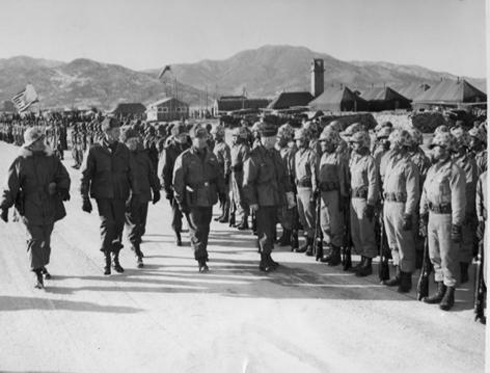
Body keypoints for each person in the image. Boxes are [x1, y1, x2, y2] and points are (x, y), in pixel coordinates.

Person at [0, 127, 70, 288]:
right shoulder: (21, 161)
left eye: (41, 140)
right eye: (37, 140)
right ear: (30, 143)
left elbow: (62, 175)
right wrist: (5, 206)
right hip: (30, 205)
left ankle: (42, 264)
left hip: (49, 203)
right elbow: (11, 185)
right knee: (35, 238)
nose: (41, 143)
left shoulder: (51, 158)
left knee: (46, 238)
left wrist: (63, 188)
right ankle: (37, 272)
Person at [80, 117, 138, 275]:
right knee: (108, 223)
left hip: (121, 193)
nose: (118, 133)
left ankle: (115, 258)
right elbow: (85, 175)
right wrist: (84, 197)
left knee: (119, 224)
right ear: (106, 132)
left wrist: (135, 192)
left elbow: (131, 172)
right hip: (103, 194)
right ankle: (106, 258)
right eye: (115, 131)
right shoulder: (94, 150)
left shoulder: (123, 150)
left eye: (119, 130)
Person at [419, 132, 466, 311]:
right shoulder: (433, 169)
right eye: (434, 147)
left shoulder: (454, 171)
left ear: (447, 149)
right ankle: (440, 289)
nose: (434, 150)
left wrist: (456, 224)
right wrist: (422, 214)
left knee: (448, 255)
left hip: (446, 217)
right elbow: (425, 192)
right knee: (434, 254)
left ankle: (449, 292)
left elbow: (458, 200)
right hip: (432, 215)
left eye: (437, 147)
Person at [172, 124, 226, 272]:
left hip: (208, 197)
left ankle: (202, 250)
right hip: (192, 198)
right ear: (192, 139)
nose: (202, 141)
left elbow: (218, 175)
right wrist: (180, 201)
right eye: (199, 138)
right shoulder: (184, 158)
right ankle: (201, 259)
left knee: (205, 228)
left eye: (205, 138)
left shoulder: (211, 156)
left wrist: (222, 193)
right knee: (196, 229)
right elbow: (178, 182)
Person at [243, 122, 294, 272]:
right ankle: (264, 260)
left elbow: (284, 176)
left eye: (273, 138)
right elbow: (248, 182)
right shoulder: (254, 156)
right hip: (262, 200)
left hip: (275, 198)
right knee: (264, 230)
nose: (272, 141)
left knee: (271, 229)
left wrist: (288, 194)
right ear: (262, 139)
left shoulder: (276, 154)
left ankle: (268, 256)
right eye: (268, 138)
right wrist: (252, 202)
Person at [381, 129, 419, 292]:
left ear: (402, 146)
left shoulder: (409, 166)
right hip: (388, 204)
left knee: (405, 243)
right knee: (393, 242)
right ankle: (398, 272)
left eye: (394, 143)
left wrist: (408, 213)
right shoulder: (391, 162)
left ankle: (406, 278)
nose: (391, 145)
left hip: (400, 206)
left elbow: (413, 193)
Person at [121, 126, 161, 268]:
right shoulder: (121, 156)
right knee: (133, 225)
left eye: (135, 140)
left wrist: (156, 189)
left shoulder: (143, 155)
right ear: (124, 142)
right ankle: (137, 251)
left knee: (141, 224)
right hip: (129, 196)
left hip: (144, 194)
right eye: (129, 141)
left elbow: (151, 173)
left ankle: (135, 241)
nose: (133, 143)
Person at [317, 127, 349, 265]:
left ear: (333, 142)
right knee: (324, 223)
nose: (323, 144)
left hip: (335, 193)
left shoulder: (339, 157)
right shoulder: (324, 156)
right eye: (322, 141)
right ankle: (330, 248)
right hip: (324, 193)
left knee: (335, 223)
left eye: (326, 141)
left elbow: (342, 179)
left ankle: (336, 252)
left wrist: (342, 197)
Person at [348, 130, 379, 276]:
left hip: (363, 199)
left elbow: (373, 183)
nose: (353, 145)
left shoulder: (370, 161)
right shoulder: (354, 159)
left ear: (364, 144)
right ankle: (361, 258)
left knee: (366, 231)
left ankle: (367, 261)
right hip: (354, 198)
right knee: (356, 231)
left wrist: (371, 203)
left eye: (356, 143)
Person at [450, 126, 478, 284]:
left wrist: (466, 212)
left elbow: (469, 188)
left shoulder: (468, 163)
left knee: (464, 240)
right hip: (452, 206)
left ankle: (463, 270)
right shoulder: (452, 160)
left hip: (464, 206)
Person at [160, 123, 190, 246]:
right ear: (175, 137)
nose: (184, 138)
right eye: (181, 135)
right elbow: (164, 171)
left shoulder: (189, 147)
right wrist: (167, 188)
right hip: (175, 186)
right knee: (176, 211)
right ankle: (177, 233)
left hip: (189, 184)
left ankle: (193, 233)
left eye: (185, 135)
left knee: (191, 210)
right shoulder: (168, 150)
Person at [293, 127, 318, 255]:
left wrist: (314, 191)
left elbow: (314, 173)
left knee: (310, 217)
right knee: (302, 217)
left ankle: (312, 244)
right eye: (297, 140)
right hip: (299, 188)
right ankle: (307, 241)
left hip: (308, 188)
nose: (298, 142)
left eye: (300, 140)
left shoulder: (312, 154)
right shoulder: (297, 154)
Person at [230, 127, 250, 229]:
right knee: (235, 196)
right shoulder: (234, 147)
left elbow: (246, 164)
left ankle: (244, 219)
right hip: (234, 173)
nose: (233, 138)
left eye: (235, 136)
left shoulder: (244, 148)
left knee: (242, 197)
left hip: (240, 174)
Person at [211, 125, 231, 223]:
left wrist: (226, 174)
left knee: (225, 195)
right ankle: (223, 213)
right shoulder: (216, 145)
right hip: (217, 173)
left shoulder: (224, 146)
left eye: (215, 134)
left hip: (222, 172)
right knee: (221, 196)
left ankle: (226, 215)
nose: (213, 136)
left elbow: (227, 161)